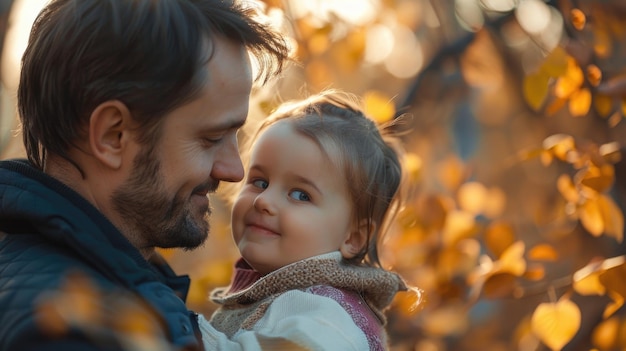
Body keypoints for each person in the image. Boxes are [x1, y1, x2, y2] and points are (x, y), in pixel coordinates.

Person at [0, 0, 289, 350]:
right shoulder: (71, 332)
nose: (234, 170)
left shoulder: (114, 295)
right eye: (211, 138)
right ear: (112, 135)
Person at [197, 90, 420, 350]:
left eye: (301, 195)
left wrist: (191, 332)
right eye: (260, 182)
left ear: (353, 238)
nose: (264, 201)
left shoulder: (326, 310)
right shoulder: (280, 294)